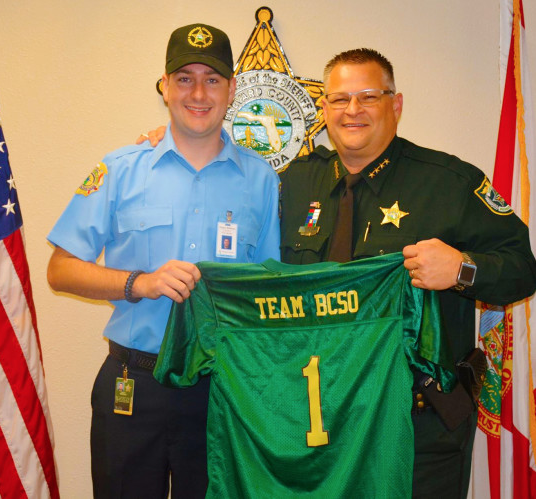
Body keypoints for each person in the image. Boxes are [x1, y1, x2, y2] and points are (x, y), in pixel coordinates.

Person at [141, 48, 536, 498]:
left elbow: (524, 270)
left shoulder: (449, 183)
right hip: (312, 425)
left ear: (397, 104)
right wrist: (173, 140)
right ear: (323, 109)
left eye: (369, 96)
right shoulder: (291, 183)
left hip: (418, 423)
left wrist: (462, 270)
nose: (353, 110)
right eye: (340, 99)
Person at [47, 23, 280, 499]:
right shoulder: (119, 170)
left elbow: (268, 293)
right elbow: (60, 269)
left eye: (212, 80)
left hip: (221, 391)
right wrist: (141, 283)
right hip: (133, 387)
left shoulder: (261, 182)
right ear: (164, 87)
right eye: (184, 78)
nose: (198, 92)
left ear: (232, 90)